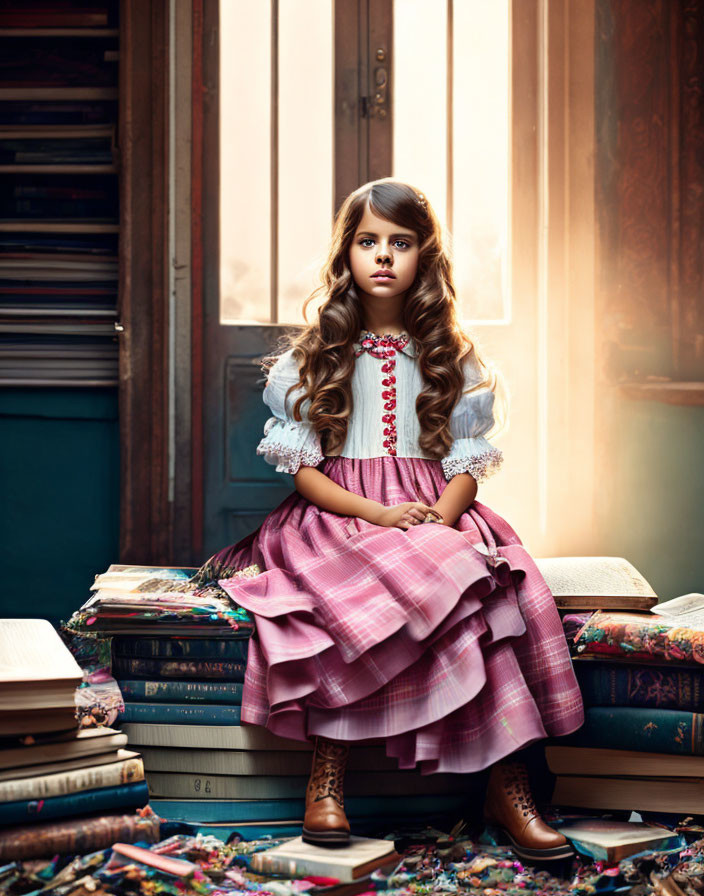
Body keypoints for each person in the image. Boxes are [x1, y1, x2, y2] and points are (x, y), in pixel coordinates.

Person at [198, 178, 584, 862]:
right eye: (368, 241)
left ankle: (510, 781)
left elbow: (466, 460)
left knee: (496, 583)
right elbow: (307, 472)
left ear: (423, 257)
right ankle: (328, 776)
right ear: (346, 254)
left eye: (400, 243)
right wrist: (378, 513)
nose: (383, 256)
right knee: (352, 600)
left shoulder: (452, 357)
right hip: (339, 514)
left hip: (434, 509)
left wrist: (439, 516)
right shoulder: (314, 358)